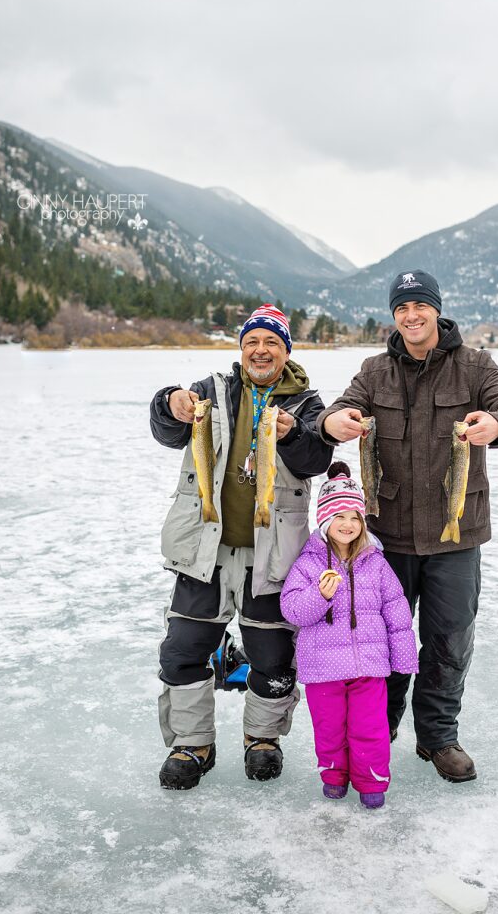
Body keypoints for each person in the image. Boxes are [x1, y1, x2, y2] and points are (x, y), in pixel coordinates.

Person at [317, 271, 498, 783]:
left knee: (448, 640)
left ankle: (437, 737)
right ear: (394, 315)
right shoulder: (374, 370)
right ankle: (380, 730)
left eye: (420, 306)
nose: (411, 316)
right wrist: (334, 423)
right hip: (386, 535)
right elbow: (336, 409)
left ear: (436, 310)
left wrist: (497, 425)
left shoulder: (475, 364)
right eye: (401, 308)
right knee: (383, 637)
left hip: (457, 533)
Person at [150, 304, 333, 789]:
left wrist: (294, 435)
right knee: (184, 649)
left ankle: (263, 738)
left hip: (273, 555)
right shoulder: (211, 390)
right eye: (253, 341)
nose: (261, 350)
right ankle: (193, 745)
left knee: (272, 654)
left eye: (272, 342)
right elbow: (167, 430)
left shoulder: (306, 404)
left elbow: (317, 457)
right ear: (241, 348)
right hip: (203, 549)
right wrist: (169, 402)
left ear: (286, 351)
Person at [280, 462, 418, 809]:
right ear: (326, 522)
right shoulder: (309, 563)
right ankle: (334, 777)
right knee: (330, 729)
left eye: (355, 518)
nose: (348, 525)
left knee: (370, 729)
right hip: (323, 669)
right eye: (340, 517)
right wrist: (320, 595)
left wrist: (402, 657)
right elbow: (293, 610)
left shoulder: (376, 562)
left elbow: (396, 609)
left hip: (368, 668)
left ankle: (371, 783)